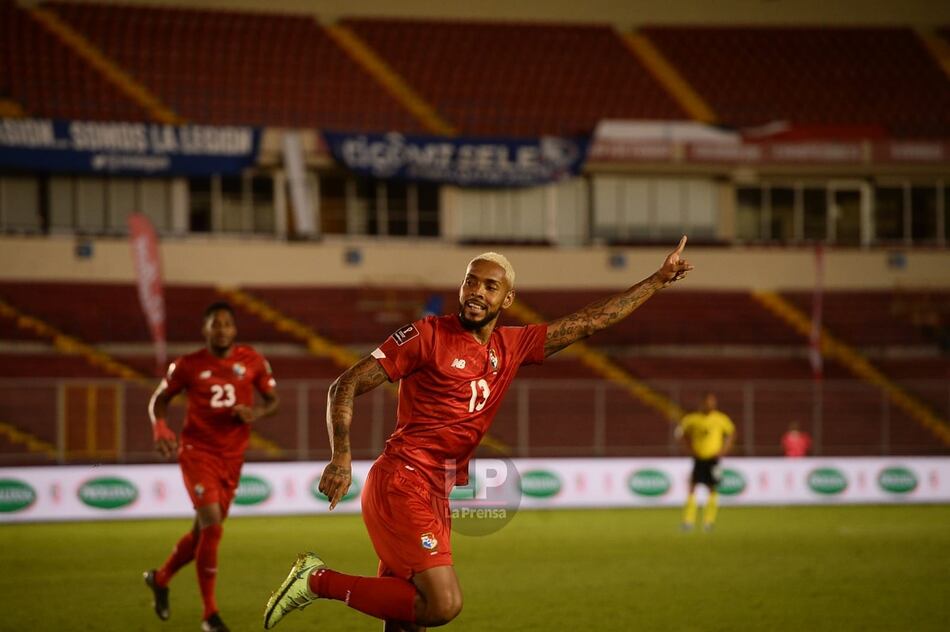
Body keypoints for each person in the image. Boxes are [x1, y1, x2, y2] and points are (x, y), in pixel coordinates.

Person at [262, 237, 693, 630]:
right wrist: (341, 456)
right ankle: (316, 580)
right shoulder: (427, 335)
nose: (477, 292)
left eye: (489, 286)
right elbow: (346, 383)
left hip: (436, 491)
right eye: (471, 282)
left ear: (507, 298)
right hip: (401, 482)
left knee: (405, 617)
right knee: (442, 604)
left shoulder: (510, 346)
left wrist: (657, 280)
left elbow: (590, 322)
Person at [144, 301, 279, 632]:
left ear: (234, 329)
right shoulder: (187, 365)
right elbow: (159, 400)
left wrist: (256, 414)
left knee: (202, 532)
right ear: (204, 329)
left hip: (232, 458)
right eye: (214, 323)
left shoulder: (253, 361)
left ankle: (160, 579)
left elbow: (273, 400)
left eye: (226, 324)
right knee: (213, 526)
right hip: (197, 452)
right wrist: (161, 428)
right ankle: (210, 615)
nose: (221, 329)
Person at [676, 392, 735, 532]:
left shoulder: (721, 419)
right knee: (692, 487)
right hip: (698, 458)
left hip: (713, 459)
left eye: (713, 402)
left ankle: (709, 522)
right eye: (709, 402)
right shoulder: (692, 419)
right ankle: (688, 522)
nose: (711, 405)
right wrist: (689, 449)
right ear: (702, 403)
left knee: (712, 488)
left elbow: (732, 434)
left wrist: (723, 451)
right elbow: (681, 434)